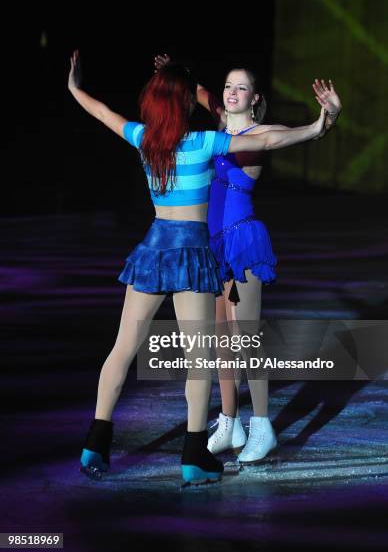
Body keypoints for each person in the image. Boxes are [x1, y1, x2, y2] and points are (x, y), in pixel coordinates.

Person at [68, 50, 326, 485]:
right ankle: (193, 457)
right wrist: (318, 126)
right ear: (185, 104)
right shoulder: (203, 142)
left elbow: (102, 112)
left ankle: (95, 442)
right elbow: (264, 142)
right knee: (200, 359)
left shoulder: (142, 137)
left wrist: (74, 87)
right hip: (191, 253)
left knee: (122, 349)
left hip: (153, 248)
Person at [155, 55, 342, 463]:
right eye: (228, 87)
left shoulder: (263, 131)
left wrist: (325, 118)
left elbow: (305, 134)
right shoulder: (219, 125)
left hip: (242, 241)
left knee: (245, 338)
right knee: (222, 339)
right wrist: (179, 72)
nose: (232, 93)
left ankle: (263, 425)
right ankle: (229, 422)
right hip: (213, 242)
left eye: (241, 87)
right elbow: (200, 93)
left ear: (255, 98)